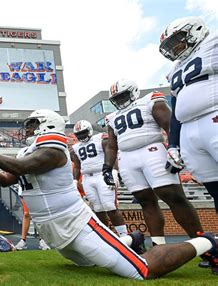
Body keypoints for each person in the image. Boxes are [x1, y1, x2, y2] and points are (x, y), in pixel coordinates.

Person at [0, 109, 218, 279]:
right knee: (91, 262)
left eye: (33, 124)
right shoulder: (28, 151)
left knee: (140, 269)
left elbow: (18, 168)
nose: (28, 129)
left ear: (48, 124)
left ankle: (207, 241)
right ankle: (132, 239)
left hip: (75, 223)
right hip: (51, 227)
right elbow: (5, 178)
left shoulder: (54, 149)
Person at [103, 79, 203, 246]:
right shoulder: (111, 117)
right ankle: (158, 245)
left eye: (123, 96)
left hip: (153, 151)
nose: (120, 100)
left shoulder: (150, 100)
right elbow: (112, 145)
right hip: (127, 158)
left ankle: (203, 244)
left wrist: (175, 148)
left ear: (133, 91)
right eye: (117, 98)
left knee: (173, 196)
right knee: (145, 201)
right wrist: (106, 168)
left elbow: (169, 125)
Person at [158, 16, 217, 215]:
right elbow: (176, 107)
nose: (175, 48)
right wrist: (173, 144)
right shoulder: (175, 68)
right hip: (189, 130)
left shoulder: (213, 43)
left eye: (177, 40)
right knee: (214, 190)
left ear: (196, 30)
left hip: (214, 117)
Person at [71, 120, 128, 237]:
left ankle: (124, 235)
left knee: (110, 206)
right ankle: (105, 235)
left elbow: (111, 154)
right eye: (79, 134)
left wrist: (114, 171)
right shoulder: (76, 147)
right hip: (87, 178)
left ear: (90, 131)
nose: (81, 136)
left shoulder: (100, 139)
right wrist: (75, 180)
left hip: (103, 175)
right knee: (97, 209)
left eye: (83, 132)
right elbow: (77, 166)